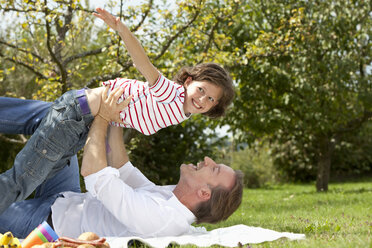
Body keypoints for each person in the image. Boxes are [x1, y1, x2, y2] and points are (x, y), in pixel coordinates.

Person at [0, 91, 244, 238]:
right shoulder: (171, 198)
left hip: (46, 222)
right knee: (56, 118)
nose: (209, 160)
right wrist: (119, 117)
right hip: (67, 199)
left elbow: (93, 171)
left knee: (66, 122)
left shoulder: (161, 219)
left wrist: (104, 117)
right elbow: (122, 168)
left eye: (214, 169)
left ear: (203, 193)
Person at [92, 8, 235, 135]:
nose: (202, 99)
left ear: (214, 105)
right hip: (87, 106)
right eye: (201, 90)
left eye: (210, 98)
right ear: (188, 81)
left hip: (94, 119)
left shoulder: (183, 112)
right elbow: (143, 63)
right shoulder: (172, 94)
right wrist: (122, 30)